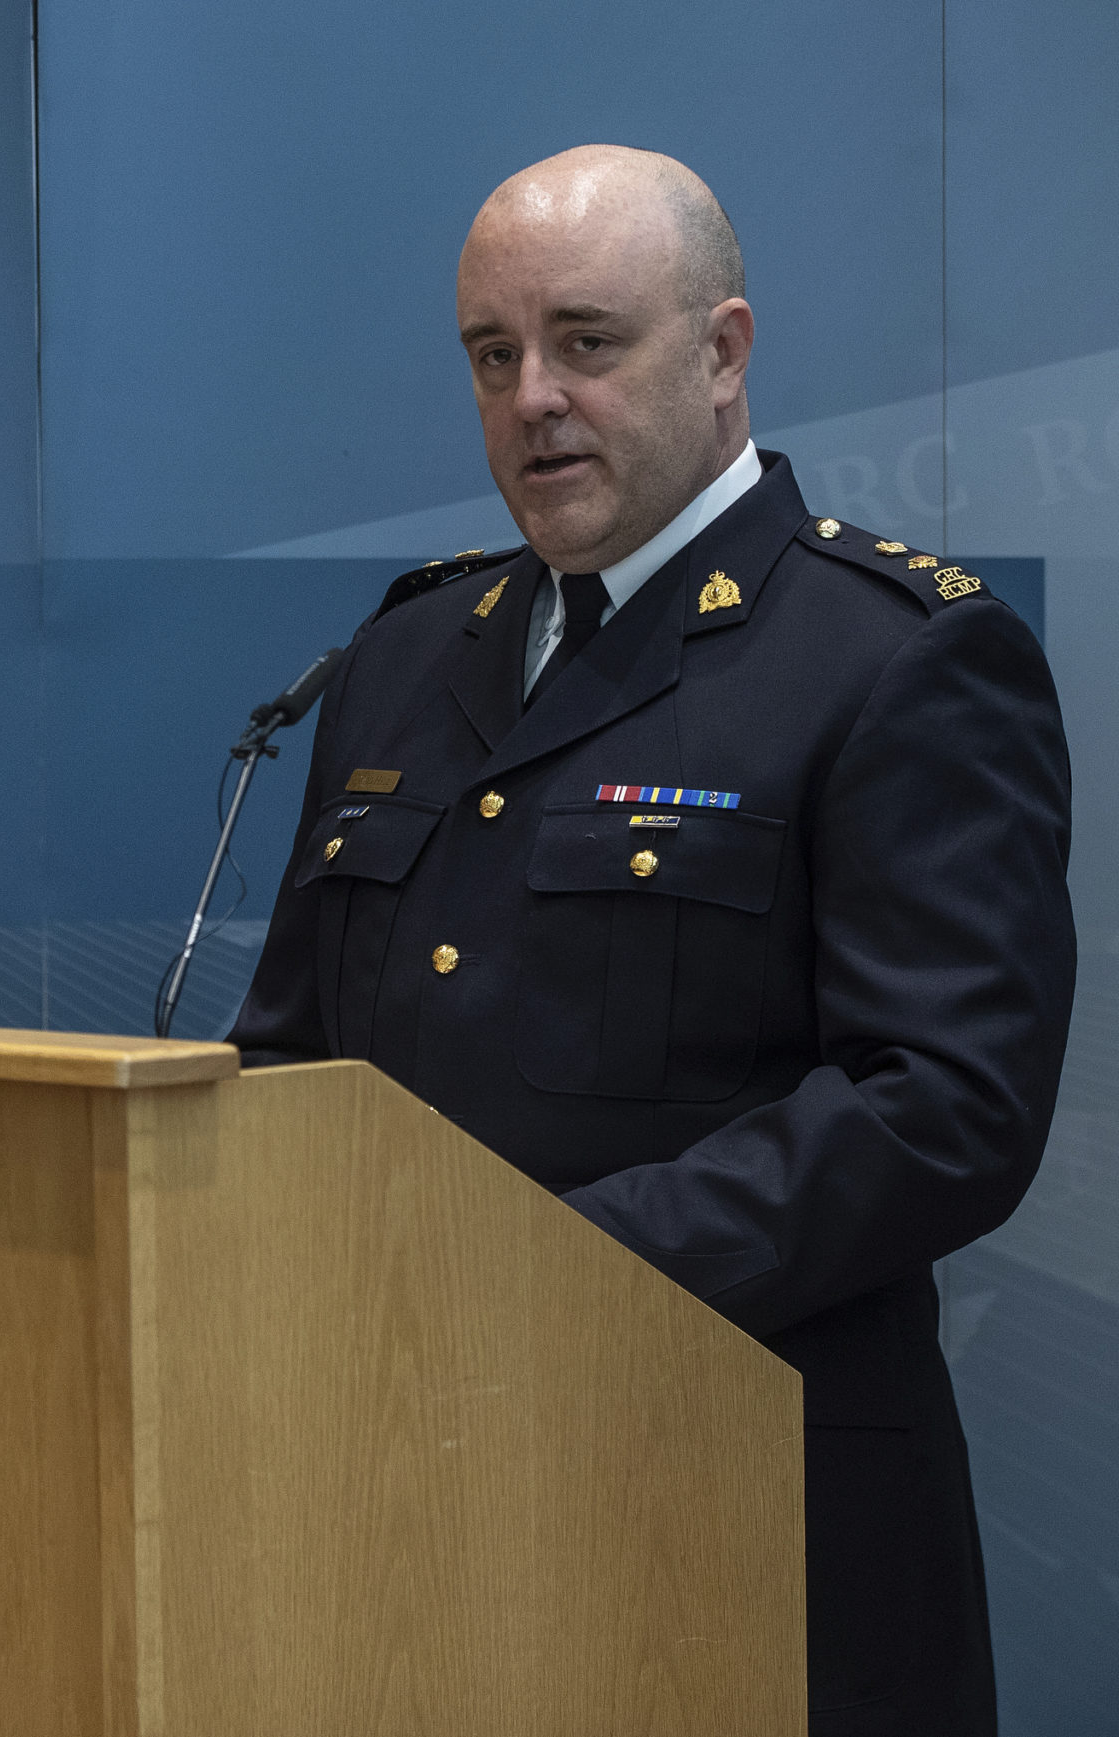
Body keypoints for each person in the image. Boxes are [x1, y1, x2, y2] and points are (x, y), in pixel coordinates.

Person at [228, 146, 1072, 1736]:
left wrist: (551, 1276)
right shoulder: (405, 656)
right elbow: (291, 1059)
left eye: (587, 342)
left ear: (724, 351)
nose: (533, 395)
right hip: (398, 1528)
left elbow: (946, 1106)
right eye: (495, 355)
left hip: (740, 1523)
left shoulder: (899, 658)